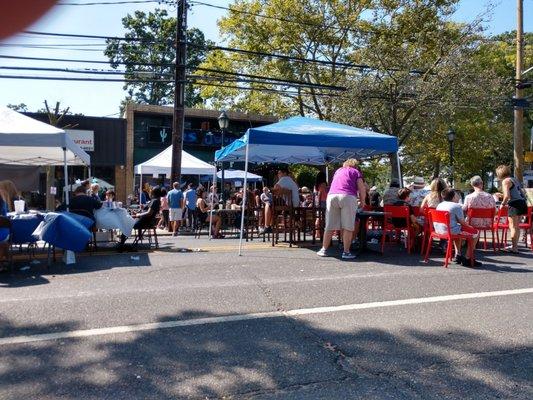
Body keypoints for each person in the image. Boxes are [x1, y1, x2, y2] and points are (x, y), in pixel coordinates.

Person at [317, 158, 366, 260]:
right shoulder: (356, 172)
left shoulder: (338, 171)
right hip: (347, 196)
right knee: (348, 225)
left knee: (330, 225)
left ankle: (323, 249)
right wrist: (362, 201)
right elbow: (362, 188)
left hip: (332, 196)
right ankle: (346, 252)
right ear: (355, 165)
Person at [435, 188, 481, 267]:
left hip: (439, 230)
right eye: (457, 195)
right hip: (451, 230)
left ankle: (458, 254)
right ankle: (468, 258)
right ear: (453, 197)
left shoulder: (440, 205)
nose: (458, 197)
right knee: (476, 233)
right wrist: (471, 227)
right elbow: (463, 223)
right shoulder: (456, 206)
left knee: (458, 230)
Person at [496, 164, 528, 253]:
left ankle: (514, 248)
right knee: (517, 227)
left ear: (499, 173)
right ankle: (515, 246)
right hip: (522, 202)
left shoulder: (505, 181)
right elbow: (517, 192)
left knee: (512, 226)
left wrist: (502, 204)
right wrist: (502, 195)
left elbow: (507, 196)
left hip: (514, 204)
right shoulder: (514, 179)